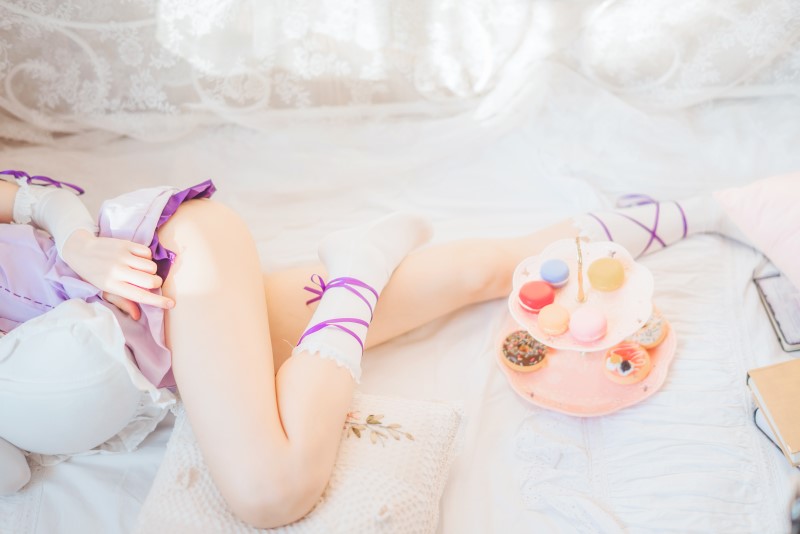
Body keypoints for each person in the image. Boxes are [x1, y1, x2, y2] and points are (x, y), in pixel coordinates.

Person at [0, 169, 749, 528]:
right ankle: (700, 210)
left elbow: (36, 194)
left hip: (164, 264)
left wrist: (79, 241)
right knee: (490, 274)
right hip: (160, 337)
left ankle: (356, 270)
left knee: (269, 490)